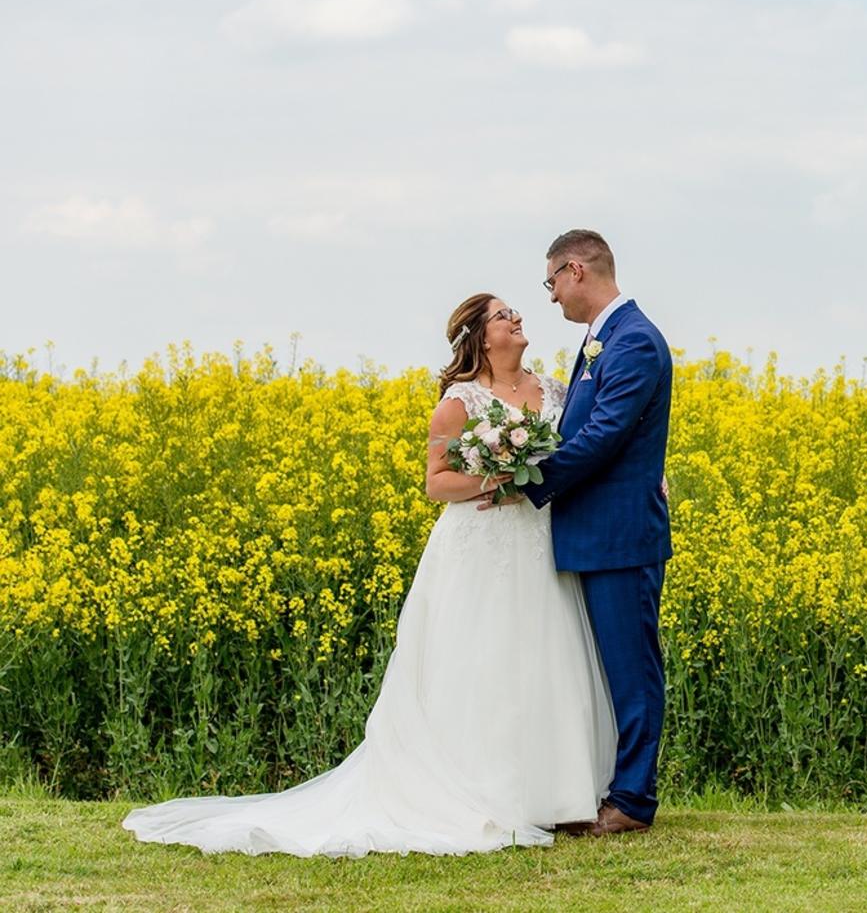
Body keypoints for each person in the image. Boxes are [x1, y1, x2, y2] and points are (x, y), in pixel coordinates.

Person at [122, 294, 615, 856]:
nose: (518, 318)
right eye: (504, 315)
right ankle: (494, 796)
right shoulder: (458, 404)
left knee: (547, 657)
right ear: (480, 337)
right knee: (483, 664)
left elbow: (583, 452)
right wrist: (502, 481)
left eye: (516, 312)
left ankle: (558, 797)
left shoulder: (554, 390)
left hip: (540, 544)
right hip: (482, 549)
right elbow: (437, 483)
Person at [510, 229, 672, 837]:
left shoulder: (632, 340)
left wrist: (527, 481)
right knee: (607, 670)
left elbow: (603, 435)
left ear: (575, 270)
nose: (550, 297)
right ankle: (610, 786)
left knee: (632, 670)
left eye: (551, 282)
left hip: (620, 536)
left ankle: (632, 800)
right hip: (598, 533)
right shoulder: (604, 338)